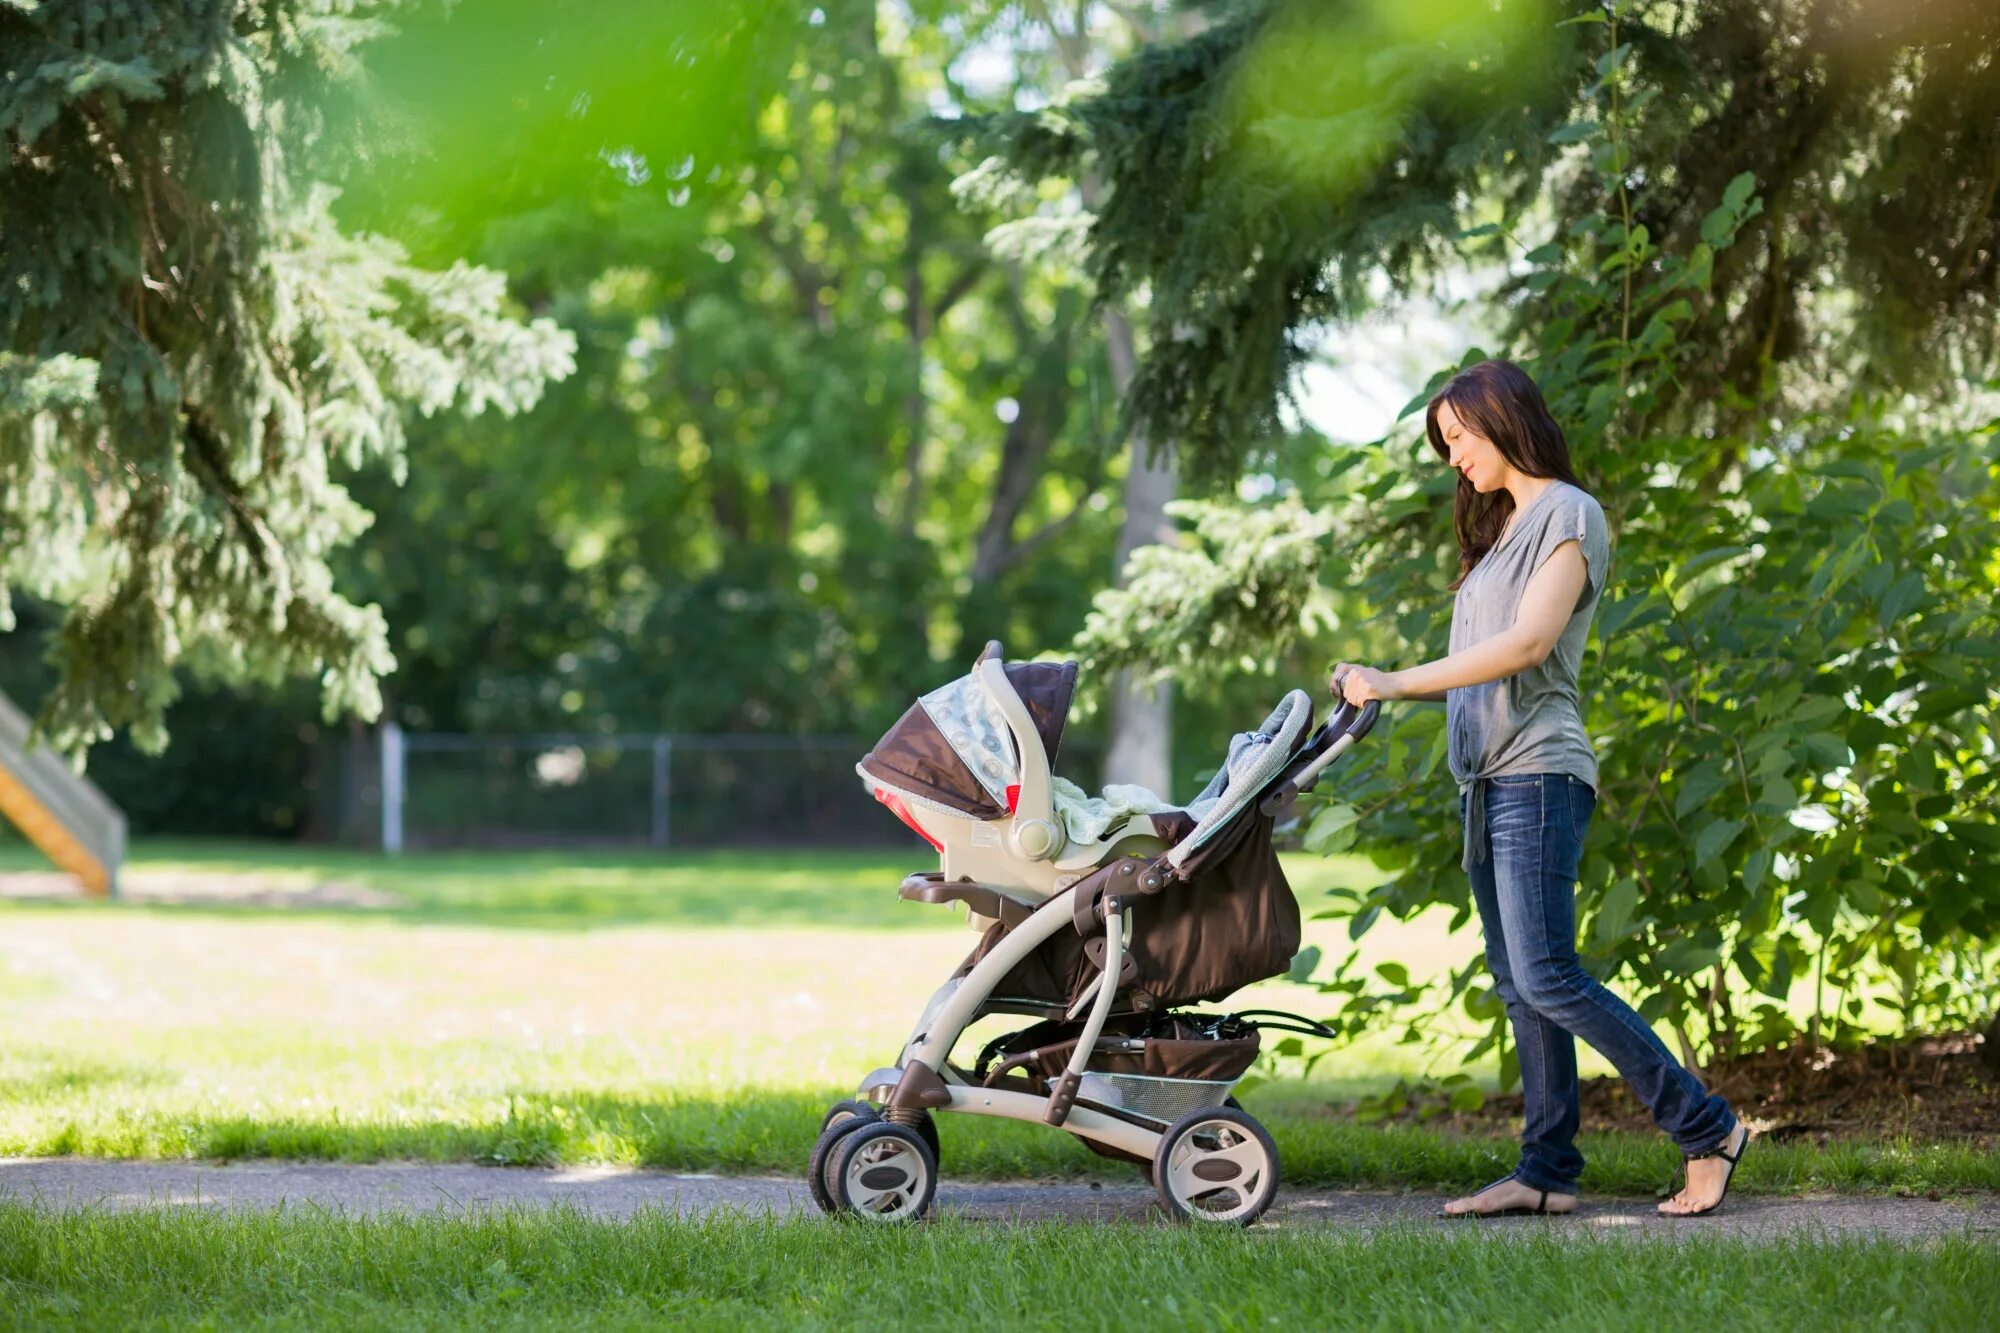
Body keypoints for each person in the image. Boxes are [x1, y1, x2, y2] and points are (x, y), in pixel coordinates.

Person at [1330, 359, 1750, 1218]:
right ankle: (1547, 1168)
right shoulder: (1501, 536)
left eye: (1458, 438)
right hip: (1487, 784)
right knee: (1521, 983)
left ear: (1503, 421)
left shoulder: (1569, 512)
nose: (1453, 459)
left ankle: (1707, 1128)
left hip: (1540, 774)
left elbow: (1528, 645)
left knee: (1551, 974)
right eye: (1444, 444)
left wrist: (1396, 678)